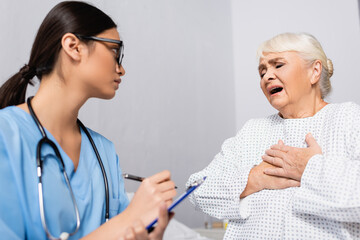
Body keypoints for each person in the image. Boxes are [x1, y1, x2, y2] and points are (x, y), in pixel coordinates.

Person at [0, 2, 176, 240]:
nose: (121, 69)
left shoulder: (104, 152)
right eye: (115, 51)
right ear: (74, 47)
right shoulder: (6, 135)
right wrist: (128, 218)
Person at [187, 32, 360, 239]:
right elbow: (196, 191)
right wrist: (256, 179)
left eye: (278, 65)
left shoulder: (349, 118)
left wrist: (309, 169)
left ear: (314, 72)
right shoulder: (252, 130)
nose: (267, 76)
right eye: (262, 72)